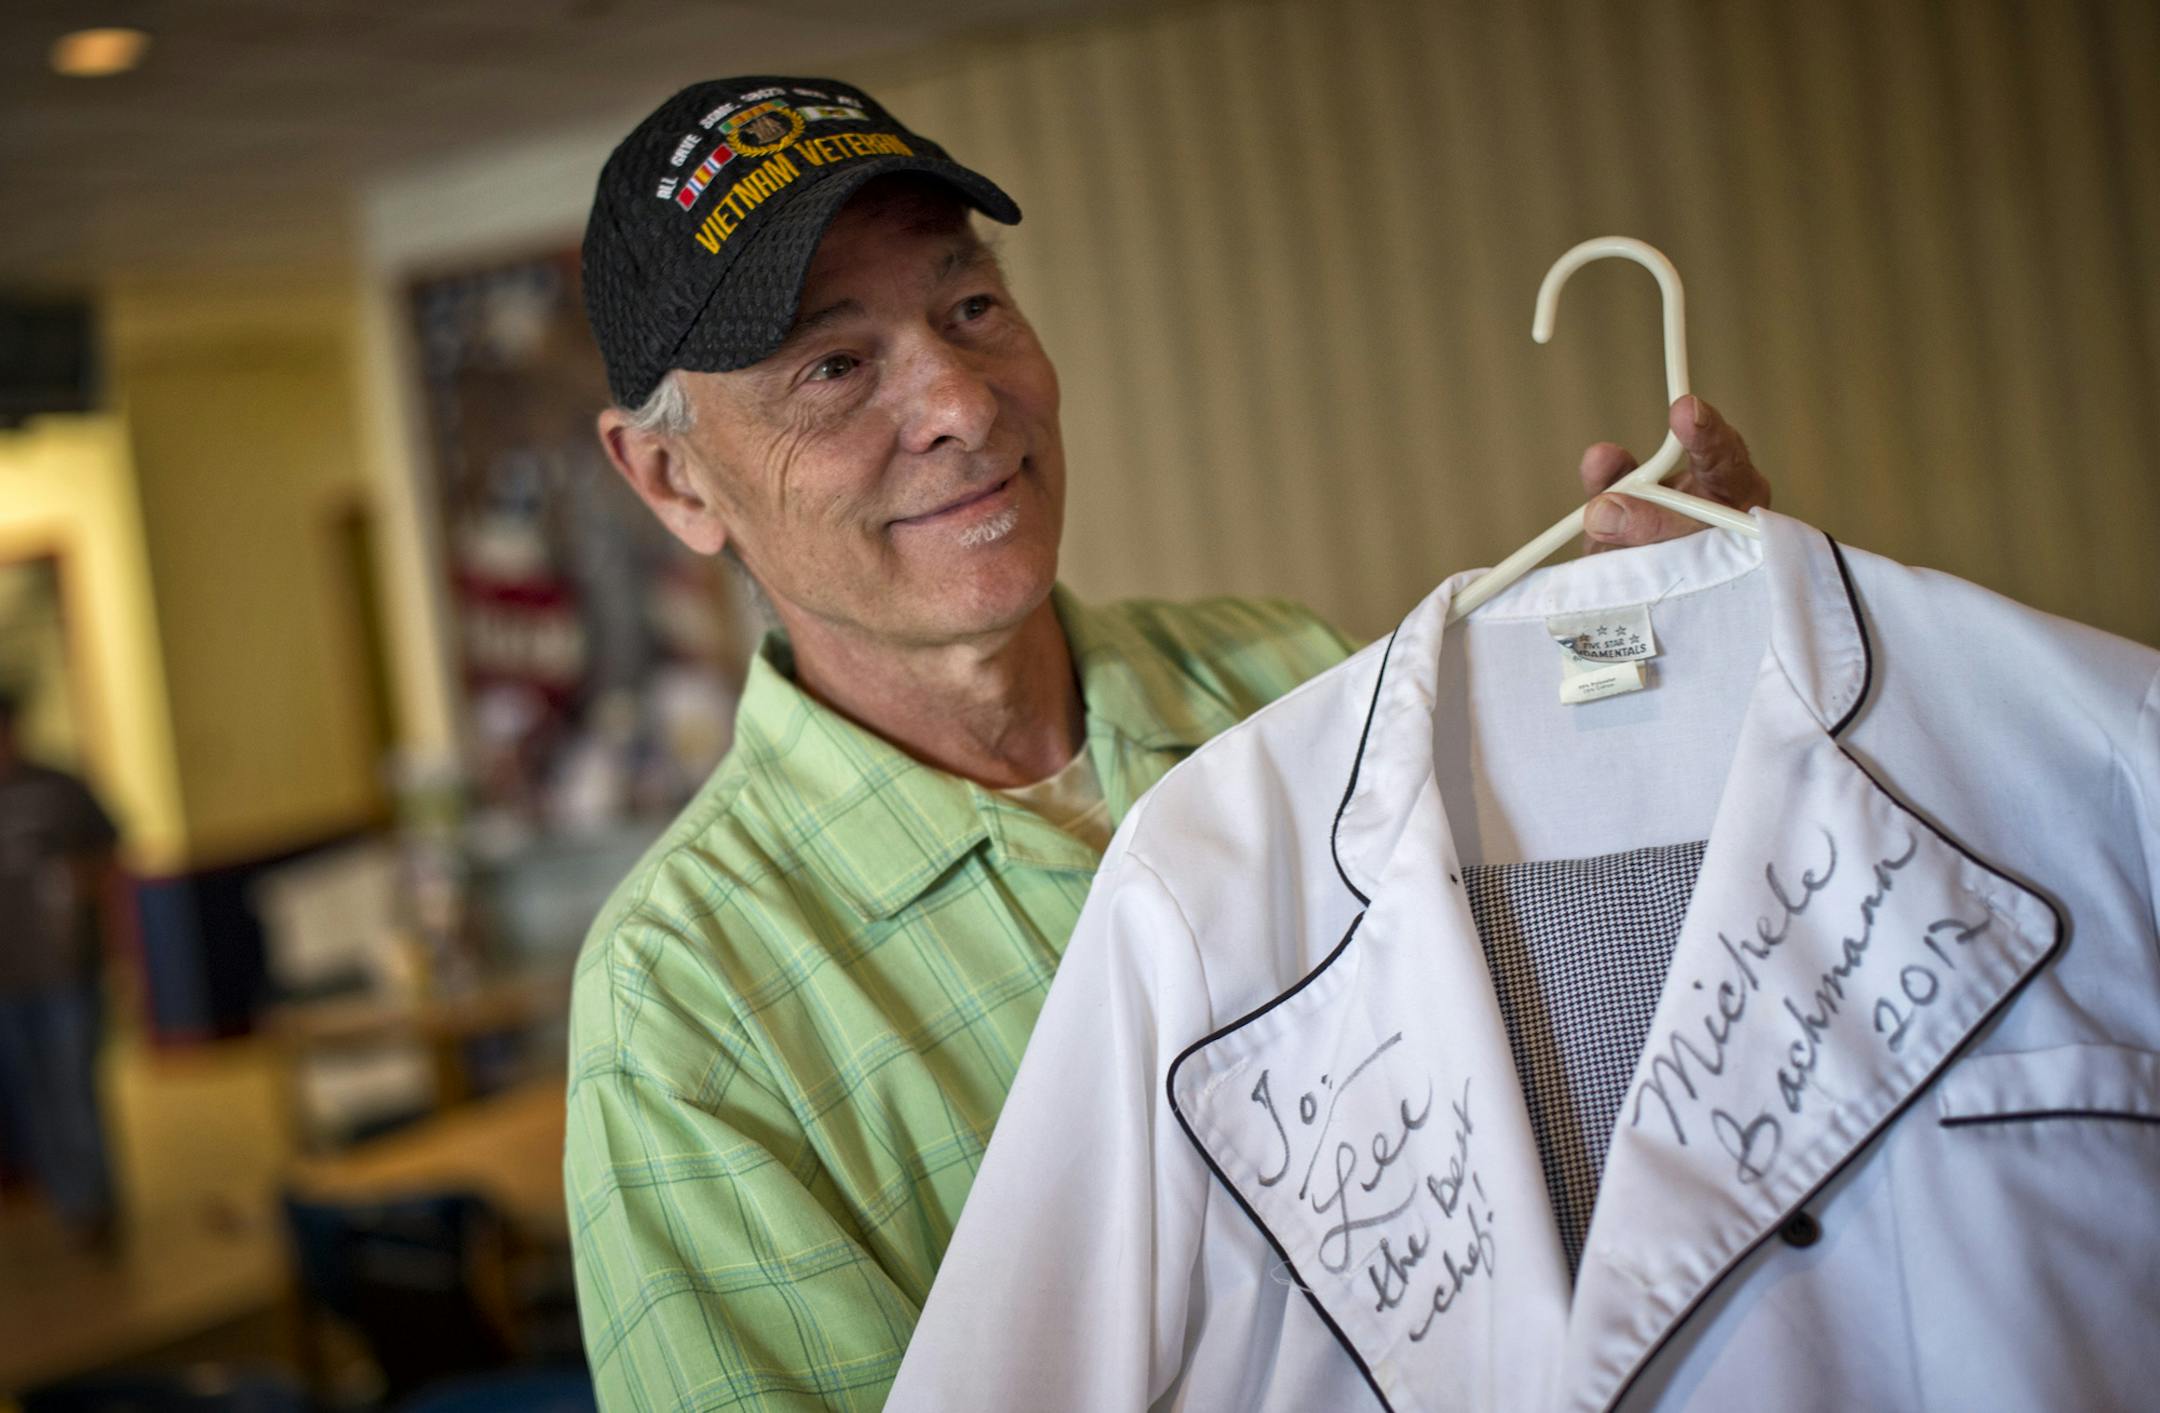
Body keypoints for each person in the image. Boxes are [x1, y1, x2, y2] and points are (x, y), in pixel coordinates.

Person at [562, 75, 1769, 1411]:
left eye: (972, 309)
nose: (963, 401)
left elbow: (1600, 1035)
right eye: (835, 365)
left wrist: (1693, 656)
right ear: (673, 479)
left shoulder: (1283, 671)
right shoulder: (682, 1008)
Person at [0, 688, 122, 1251]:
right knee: (30, 1094)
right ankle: (66, 1198)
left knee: (74, 1087)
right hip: (6, 981)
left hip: (65, 974)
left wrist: (87, 899)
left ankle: (93, 1203)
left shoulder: (58, 789)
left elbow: (110, 851)